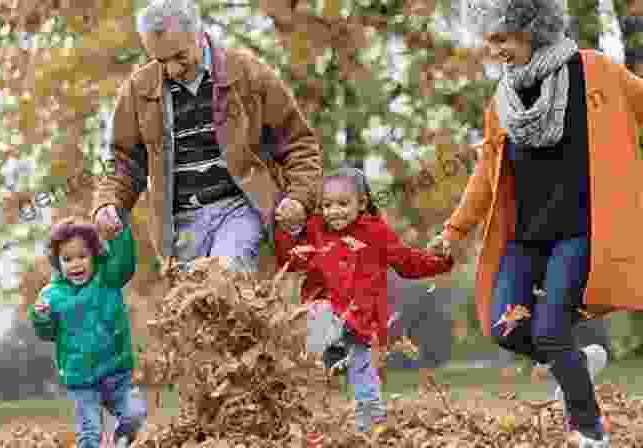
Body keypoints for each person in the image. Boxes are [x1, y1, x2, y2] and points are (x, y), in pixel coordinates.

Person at [431, 0, 643, 446]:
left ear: (533, 27)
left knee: (549, 329)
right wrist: (454, 229)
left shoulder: (595, 70)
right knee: (505, 327)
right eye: (491, 40)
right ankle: (576, 364)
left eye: (504, 37)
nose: (497, 49)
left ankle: (590, 430)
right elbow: (485, 177)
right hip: (525, 239)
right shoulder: (502, 102)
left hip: (580, 233)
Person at [91, 0, 322, 274]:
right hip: (181, 223)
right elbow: (124, 162)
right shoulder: (137, 90)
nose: (173, 70)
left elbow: (298, 143)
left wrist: (299, 196)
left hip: (240, 207)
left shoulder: (248, 73)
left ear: (200, 35)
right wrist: (108, 202)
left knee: (226, 276)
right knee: (193, 305)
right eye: (161, 61)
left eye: (180, 56)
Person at [275, 166, 454, 436]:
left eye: (343, 204)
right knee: (313, 362)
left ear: (362, 203)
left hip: (362, 320)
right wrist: (286, 232)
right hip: (325, 313)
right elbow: (290, 260)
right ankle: (309, 423)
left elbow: (407, 263)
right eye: (327, 205)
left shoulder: (376, 233)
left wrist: (441, 261)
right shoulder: (315, 230)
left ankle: (371, 427)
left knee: (363, 372)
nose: (334, 211)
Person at [28, 216, 147, 448]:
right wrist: (41, 317)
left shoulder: (107, 278)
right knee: (89, 434)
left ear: (95, 255)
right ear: (57, 263)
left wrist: (119, 233)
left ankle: (120, 441)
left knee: (134, 415)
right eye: (67, 259)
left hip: (117, 374)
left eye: (82, 256)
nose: (75, 264)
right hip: (81, 380)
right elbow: (47, 333)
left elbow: (124, 262)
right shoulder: (51, 295)